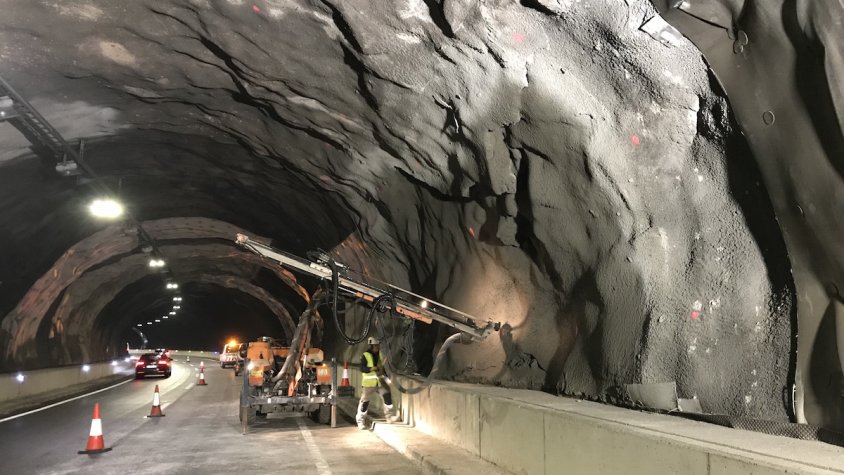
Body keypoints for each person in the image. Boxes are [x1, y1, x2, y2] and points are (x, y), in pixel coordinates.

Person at [356, 336, 400, 429]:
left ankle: (389, 417)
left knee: (388, 397)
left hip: (380, 382)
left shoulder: (380, 355)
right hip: (369, 383)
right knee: (365, 402)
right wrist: (370, 368)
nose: (378, 347)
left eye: (378, 345)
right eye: (376, 345)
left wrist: (388, 379)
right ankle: (360, 421)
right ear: (372, 346)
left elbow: (383, 369)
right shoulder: (366, 355)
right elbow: (362, 368)